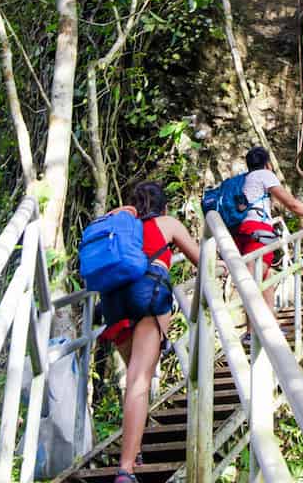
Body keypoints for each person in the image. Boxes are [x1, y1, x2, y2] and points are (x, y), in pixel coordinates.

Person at [99, 181, 201, 483]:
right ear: (164, 206)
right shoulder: (167, 223)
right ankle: (126, 469)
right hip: (146, 296)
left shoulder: (119, 224)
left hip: (113, 302)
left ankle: (136, 450)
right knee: (139, 381)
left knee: (133, 379)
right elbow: (202, 259)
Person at [235, 146, 303, 311]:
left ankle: (270, 324)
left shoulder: (244, 179)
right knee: (253, 282)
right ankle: (251, 333)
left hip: (241, 231)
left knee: (266, 277)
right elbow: (292, 204)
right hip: (258, 231)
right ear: (267, 164)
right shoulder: (265, 175)